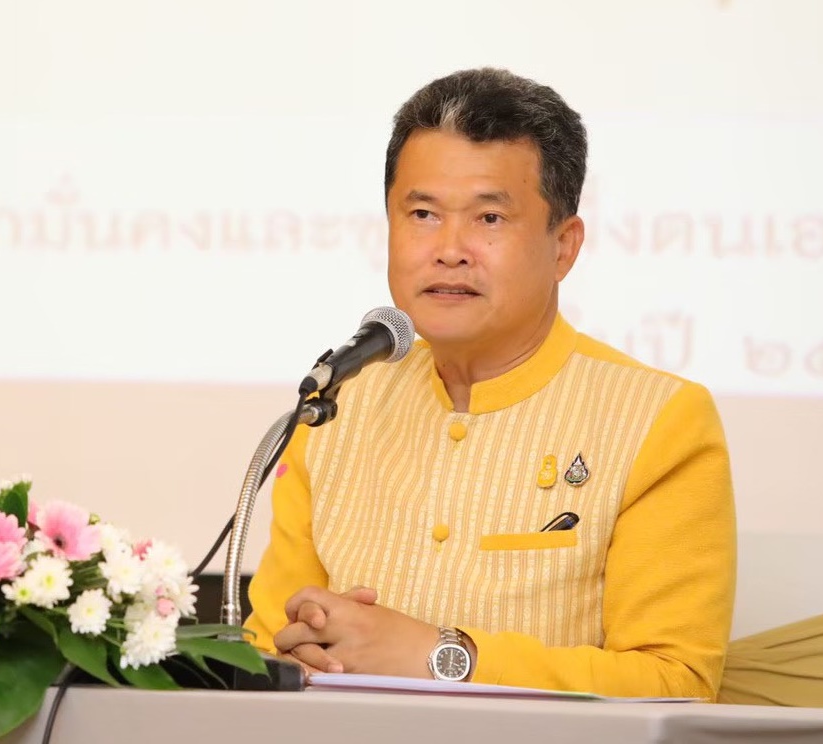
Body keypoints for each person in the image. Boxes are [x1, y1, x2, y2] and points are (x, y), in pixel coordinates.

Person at [243, 67, 736, 700]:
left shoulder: (659, 420)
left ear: (564, 246)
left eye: (490, 218)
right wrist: (292, 657)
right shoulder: (336, 407)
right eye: (422, 213)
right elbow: (266, 646)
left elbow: (675, 682)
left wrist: (441, 656)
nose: (450, 250)